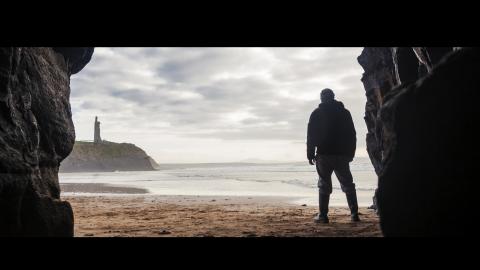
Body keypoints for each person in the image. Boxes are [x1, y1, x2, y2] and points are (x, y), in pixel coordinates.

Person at [307, 88, 360, 223]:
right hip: (342, 155)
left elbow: (311, 136)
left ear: (322, 98)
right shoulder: (344, 113)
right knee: (348, 184)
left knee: (324, 184)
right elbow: (352, 135)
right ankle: (354, 214)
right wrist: (350, 153)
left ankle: (323, 216)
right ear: (333, 97)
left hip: (324, 155)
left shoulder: (317, 113)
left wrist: (310, 154)